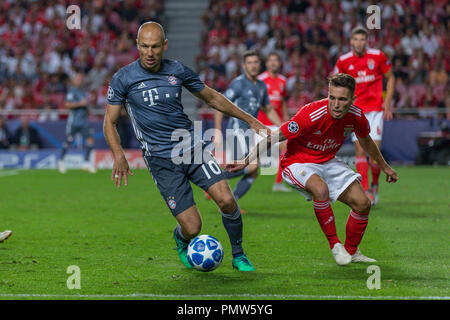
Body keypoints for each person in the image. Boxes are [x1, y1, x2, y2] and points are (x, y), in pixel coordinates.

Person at [103, 22, 269, 271]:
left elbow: (212, 97)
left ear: (164, 45)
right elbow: (109, 121)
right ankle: (181, 239)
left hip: (191, 147)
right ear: (137, 45)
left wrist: (250, 119)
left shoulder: (177, 70)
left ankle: (239, 254)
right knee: (193, 227)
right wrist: (119, 155)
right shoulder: (124, 78)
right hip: (161, 160)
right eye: (145, 46)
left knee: (226, 199)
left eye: (155, 47)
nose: (150, 53)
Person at [227, 74, 398, 266]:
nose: (336, 104)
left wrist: (385, 167)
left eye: (342, 99)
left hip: (327, 161)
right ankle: (335, 245)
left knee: (363, 203)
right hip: (297, 162)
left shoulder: (357, 116)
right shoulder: (310, 114)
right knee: (321, 189)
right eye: (332, 97)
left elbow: (366, 141)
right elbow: (273, 138)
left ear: (352, 100)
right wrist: (245, 160)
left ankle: (351, 252)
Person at [333, 26, 396, 205]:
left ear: (366, 41)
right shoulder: (344, 61)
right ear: (351, 41)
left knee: (374, 153)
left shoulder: (377, 56)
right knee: (360, 150)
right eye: (356, 40)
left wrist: (387, 102)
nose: (359, 43)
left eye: (362, 40)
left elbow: (391, 77)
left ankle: (375, 184)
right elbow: (334, 81)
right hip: (355, 111)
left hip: (375, 111)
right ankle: (367, 189)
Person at [214, 51, 282, 203]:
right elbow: (219, 106)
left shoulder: (262, 86)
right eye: (250, 63)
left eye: (256, 62)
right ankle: (213, 179)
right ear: (244, 66)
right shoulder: (238, 83)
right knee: (251, 166)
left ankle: (231, 202)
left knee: (253, 172)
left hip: (249, 132)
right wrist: (217, 131)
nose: (253, 65)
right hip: (237, 130)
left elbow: (268, 109)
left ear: (260, 65)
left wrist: (282, 125)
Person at [257, 52, 291, 192]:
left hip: (276, 123)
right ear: (266, 64)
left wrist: (285, 119)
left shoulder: (283, 80)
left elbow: (282, 101)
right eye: (270, 60)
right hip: (261, 123)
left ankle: (278, 183)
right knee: (250, 163)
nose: (273, 63)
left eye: (276, 60)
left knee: (286, 148)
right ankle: (220, 180)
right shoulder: (260, 79)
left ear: (279, 63)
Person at [58, 72, 96, 174]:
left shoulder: (83, 91)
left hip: (84, 121)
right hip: (74, 121)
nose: (80, 81)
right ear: (74, 81)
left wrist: (88, 110)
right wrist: (80, 104)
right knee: (69, 140)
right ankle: (61, 161)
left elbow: (85, 105)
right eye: (78, 79)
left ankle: (87, 163)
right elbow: (67, 105)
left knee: (90, 139)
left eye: (81, 79)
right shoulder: (72, 91)